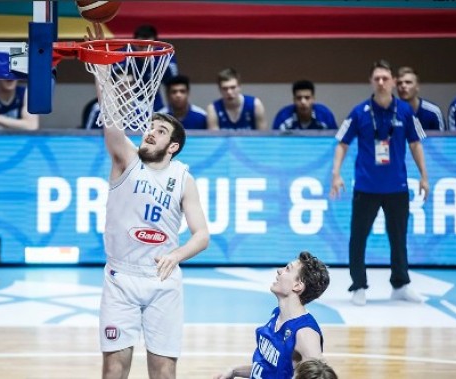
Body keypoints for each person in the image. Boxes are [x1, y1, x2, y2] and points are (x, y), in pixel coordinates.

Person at [89, 22, 210, 379]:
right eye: (150, 127)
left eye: (159, 131)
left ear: (172, 146)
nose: (150, 133)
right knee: (114, 368)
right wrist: (102, 66)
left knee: (163, 371)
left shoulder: (184, 177)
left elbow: (202, 235)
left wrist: (176, 254)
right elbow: (111, 118)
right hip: (121, 277)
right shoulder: (126, 158)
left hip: (163, 280)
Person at [330, 60, 429, 307]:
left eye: (386, 78)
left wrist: (424, 177)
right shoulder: (359, 112)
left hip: (397, 187)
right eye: (377, 79)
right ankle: (359, 285)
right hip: (366, 187)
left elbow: (416, 144)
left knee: (398, 237)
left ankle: (400, 284)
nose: (382, 82)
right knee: (358, 237)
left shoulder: (405, 111)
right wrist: (336, 174)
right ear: (371, 82)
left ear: (393, 81)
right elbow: (342, 143)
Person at [213, 251, 331, 379]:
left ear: (297, 286)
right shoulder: (277, 315)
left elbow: (319, 375)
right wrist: (235, 371)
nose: (279, 271)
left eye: (287, 269)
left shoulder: (305, 333)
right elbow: (267, 370)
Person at [133, 24, 178, 112]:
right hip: (128, 106)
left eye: (148, 47)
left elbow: (174, 84)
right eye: (141, 46)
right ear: (134, 44)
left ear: (156, 45)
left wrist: (172, 109)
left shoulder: (164, 57)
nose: (144, 51)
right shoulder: (124, 57)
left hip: (155, 104)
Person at [272, 80, 337, 131]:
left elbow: (336, 140)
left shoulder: (325, 115)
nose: (303, 102)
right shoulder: (283, 116)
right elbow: (276, 142)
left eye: (307, 98)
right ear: (294, 100)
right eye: (299, 98)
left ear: (313, 99)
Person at [396, 67, 445, 131]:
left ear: (417, 86)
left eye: (408, 82)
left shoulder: (433, 112)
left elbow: (442, 139)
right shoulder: (391, 111)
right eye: (399, 83)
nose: (403, 86)